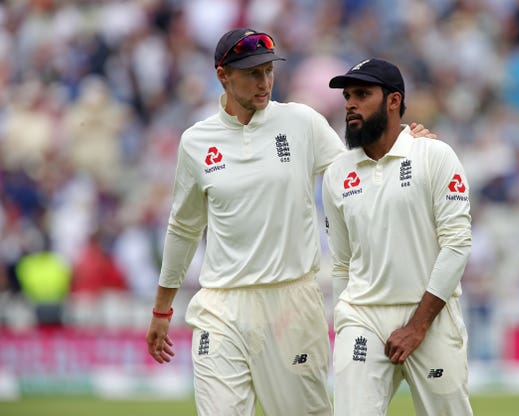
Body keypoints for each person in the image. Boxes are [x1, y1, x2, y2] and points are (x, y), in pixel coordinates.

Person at [144, 29, 433, 416]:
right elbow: (183, 227)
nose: (264, 82)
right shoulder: (197, 141)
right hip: (220, 306)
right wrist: (162, 311)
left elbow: (358, 172)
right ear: (222, 75)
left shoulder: (300, 122)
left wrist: (406, 143)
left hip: (291, 304)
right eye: (252, 73)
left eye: (268, 71)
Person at [322, 58, 474, 416]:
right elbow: (342, 260)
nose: (350, 104)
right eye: (347, 96)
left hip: (430, 316)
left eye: (362, 94)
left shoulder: (434, 155)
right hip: (363, 317)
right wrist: (344, 320)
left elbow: (457, 244)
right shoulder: (337, 173)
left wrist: (418, 326)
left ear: (393, 101)